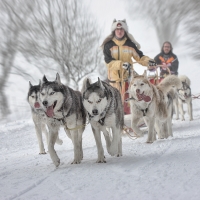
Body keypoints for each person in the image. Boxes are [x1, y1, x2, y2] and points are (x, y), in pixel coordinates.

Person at [101, 19, 156, 115]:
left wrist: (149, 61)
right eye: (117, 29)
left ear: (125, 31)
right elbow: (108, 62)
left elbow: (140, 57)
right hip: (114, 82)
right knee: (115, 105)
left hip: (128, 80)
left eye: (121, 29)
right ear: (114, 31)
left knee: (130, 103)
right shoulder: (108, 45)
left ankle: (135, 121)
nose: (119, 31)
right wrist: (122, 64)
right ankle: (118, 125)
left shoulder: (130, 45)